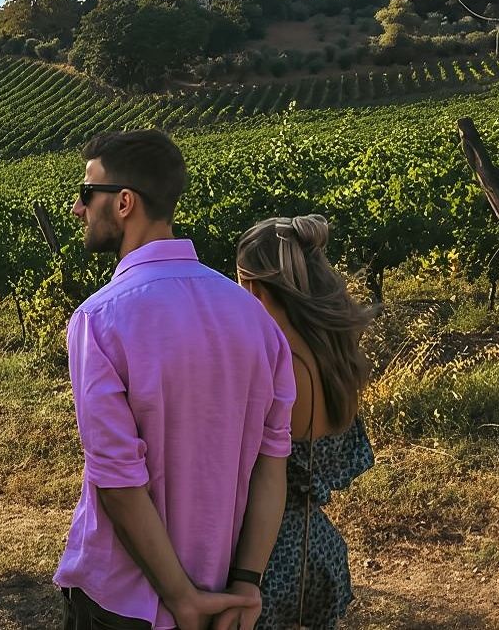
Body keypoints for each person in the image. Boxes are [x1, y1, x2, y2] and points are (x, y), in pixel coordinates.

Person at [55, 129, 296, 630]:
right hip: (221, 592)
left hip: (122, 600)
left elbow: (117, 480)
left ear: (123, 202)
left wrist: (179, 598)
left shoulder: (98, 320)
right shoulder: (254, 318)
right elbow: (272, 466)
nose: (78, 208)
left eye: (85, 193)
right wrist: (246, 585)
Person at [235, 215, 375, 630]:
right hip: (317, 545)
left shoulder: (282, 367)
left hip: (269, 555)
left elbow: (257, 469)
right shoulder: (333, 353)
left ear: (254, 287)